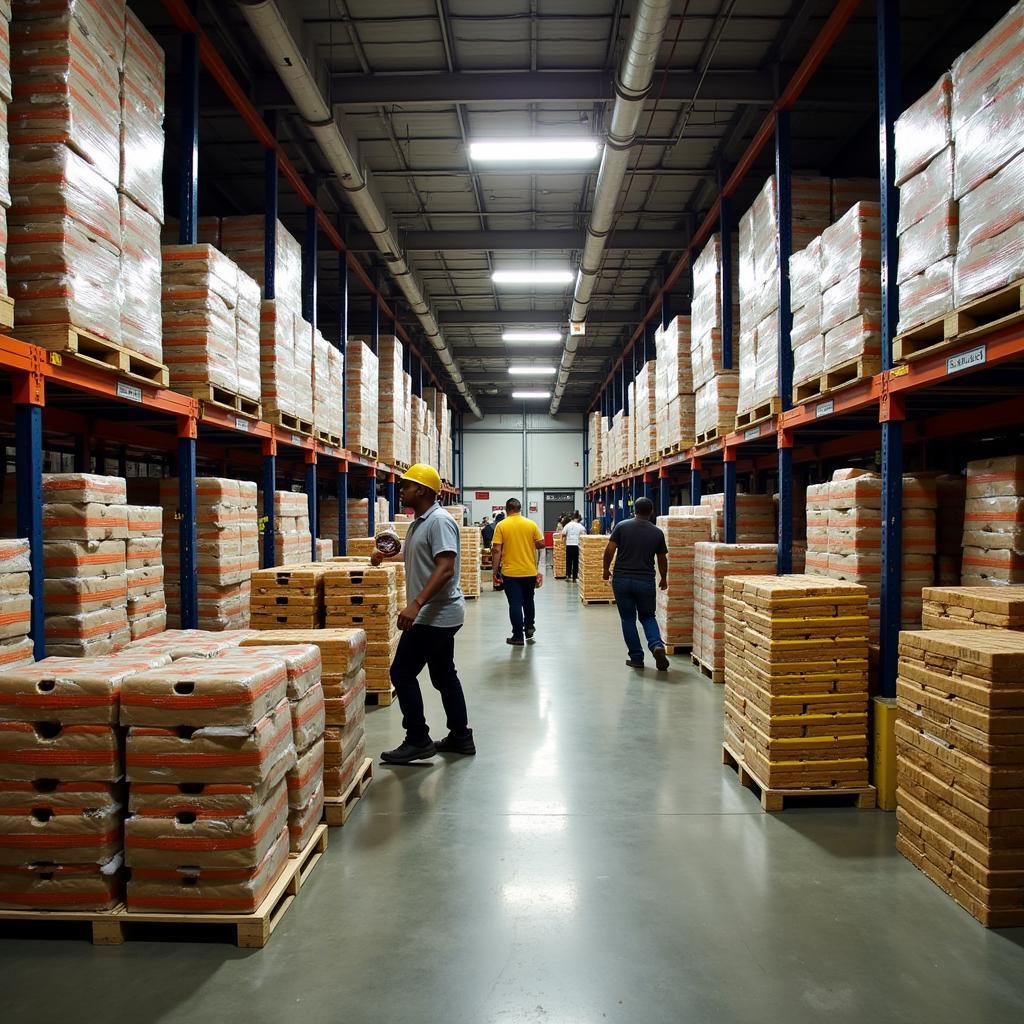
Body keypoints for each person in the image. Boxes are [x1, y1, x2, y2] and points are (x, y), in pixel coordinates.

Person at [371, 463, 475, 763]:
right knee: (444, 675)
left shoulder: (439, 521)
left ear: (423, 490)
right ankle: (460, 737)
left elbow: (445, 568)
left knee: (401, 672)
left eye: (406, 485)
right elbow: (425, 555)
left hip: (435, 614)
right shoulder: (420, 521)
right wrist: (389, 555)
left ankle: (418, 739)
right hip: (437, 613)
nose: (401, 489)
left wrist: (416, 604)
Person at [602, 496, 671, 671]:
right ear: (652, 512)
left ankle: (637, 658)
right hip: (645, 580)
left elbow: (609, 549)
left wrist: (605, 569)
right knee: (648, 616)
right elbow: (661, 558)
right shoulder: (657, 532)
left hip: (622, 579)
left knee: (628, 619)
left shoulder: (622, 526)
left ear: (635, 510)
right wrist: (663, 577)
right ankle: (656, 645)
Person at [491, 497, 545, 646]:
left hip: (511, 573)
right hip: (529, 571)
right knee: (528, 600)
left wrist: (495, 572)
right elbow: (541, 544)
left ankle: (517, 636)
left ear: (507, 510)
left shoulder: (501, 526)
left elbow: (496, 550)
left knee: (515, 603)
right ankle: (529, 626)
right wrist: (539, 567)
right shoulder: (531, 524)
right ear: (520, 509)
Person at [561, 511, 586, 582]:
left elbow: (563, 534)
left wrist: (563, 541)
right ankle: (575, 577)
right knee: (576, 561)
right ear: (577, 518)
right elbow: (584, 535)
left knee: (568, 561)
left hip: (569, 545)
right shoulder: (580, 526)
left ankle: (568, 575)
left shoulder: (567, 525)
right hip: (577, 545)